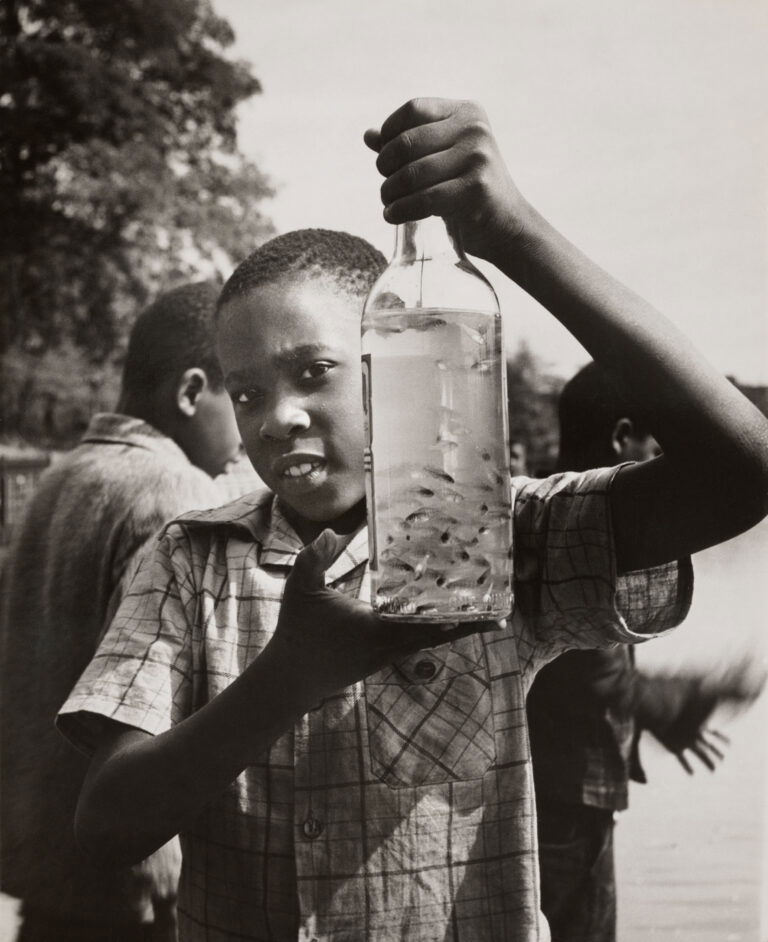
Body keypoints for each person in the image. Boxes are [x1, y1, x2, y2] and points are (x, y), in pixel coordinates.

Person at [56, 99, 768, 942]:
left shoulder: (490, 535)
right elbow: (106, 827)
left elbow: (741, 473)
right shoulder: (189, 558)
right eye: (245, 392)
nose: (275, 416)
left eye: (314, 371)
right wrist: (288, 676)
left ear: (394, 362)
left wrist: (515, 236)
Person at [0, 282, 242, 942]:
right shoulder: (176, 490)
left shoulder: (63, 474)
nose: (252, 431)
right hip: (131, 887)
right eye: (241, 395)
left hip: (45, 863)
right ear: (193, 392)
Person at [527, 361, 760, 942]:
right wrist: (685, 696)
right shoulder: (580, 529)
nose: (657, 465)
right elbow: (594, 678)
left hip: (554, 791)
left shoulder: (539, 512)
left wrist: (656, 715)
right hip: (565, 801)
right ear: (620, 437)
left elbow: (580, 665)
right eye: (653, 448)